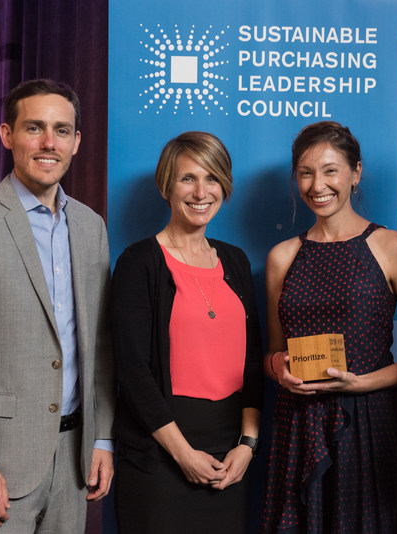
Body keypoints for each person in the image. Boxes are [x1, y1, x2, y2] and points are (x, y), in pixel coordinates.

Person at [0, 79, 116, 533]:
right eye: (34, 128)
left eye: (61, 130)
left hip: (73, 462)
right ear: (7, 135)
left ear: (77, 141)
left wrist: (102, 437)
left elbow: (100, 347)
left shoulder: (91, 227)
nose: (48, 143)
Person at [261, 121, 397, 533]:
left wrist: (363, 384)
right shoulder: (282, 256)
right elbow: (271, 353)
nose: (317, 184)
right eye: (305, 172)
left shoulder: (393, 247)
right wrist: (279, 370)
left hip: (373, 424)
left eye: (330, 169)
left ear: (356, 173)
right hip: (299, 426)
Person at [111, 131, 263, 533]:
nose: (201, 191)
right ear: (166, 185)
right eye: (187, 178)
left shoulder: (236, 260)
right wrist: (182, 453)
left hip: (230, 456)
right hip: (161, 454)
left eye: (212, 178)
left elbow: (251, 362)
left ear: (225, 186)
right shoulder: (138, 262)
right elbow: (132, 369)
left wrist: (247, 446)